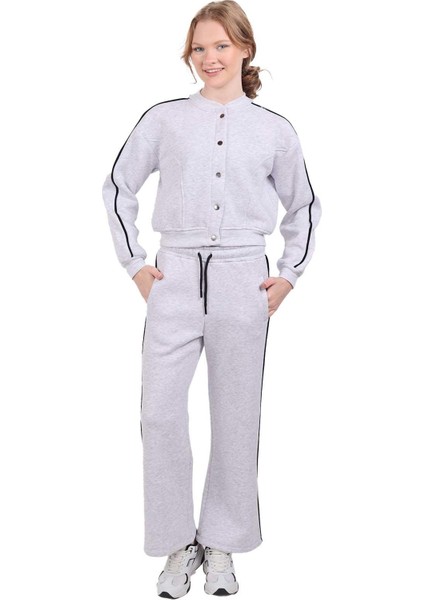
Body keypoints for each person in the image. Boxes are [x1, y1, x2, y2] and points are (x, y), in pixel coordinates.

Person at [102, 0, 322, 596]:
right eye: (199, 48)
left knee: (236, 415)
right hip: (173, 275)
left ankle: (221, 542)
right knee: (159, 414)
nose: (209, 58)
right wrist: (136, 266)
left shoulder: (274, 130)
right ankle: (178, 544)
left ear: (245, 49)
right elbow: (118, 187)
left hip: (243, 278)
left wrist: (290, 274)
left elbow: (303, 206)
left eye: (221, 45)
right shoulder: (165, 119)